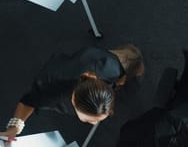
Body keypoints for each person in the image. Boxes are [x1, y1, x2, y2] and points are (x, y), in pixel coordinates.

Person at [0, 45, 144, 139]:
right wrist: (15, 127)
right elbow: (28, 101)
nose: (94, 124)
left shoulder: (112, 69)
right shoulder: (54, 91)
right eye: (91, 120)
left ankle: (134, 57)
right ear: (73, 102)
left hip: (96, 58)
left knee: (132, 60)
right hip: (70, 68)